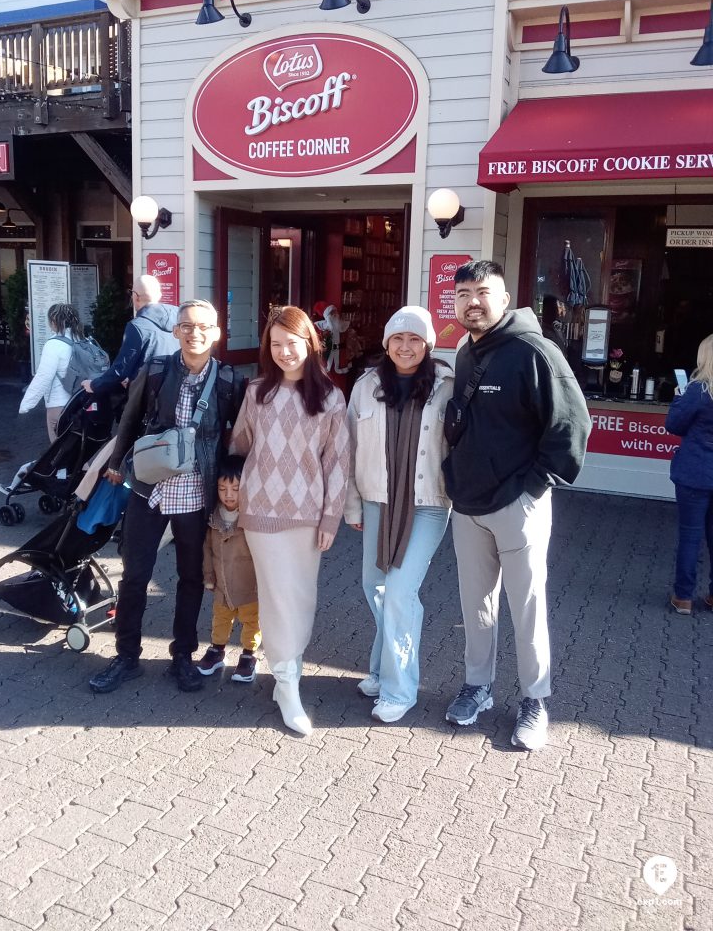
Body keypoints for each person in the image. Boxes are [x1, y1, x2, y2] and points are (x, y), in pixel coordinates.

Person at [442, 261, 591, 750]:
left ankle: (534, 699)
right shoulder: (467, 352)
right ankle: (478, 686)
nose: (472, 302)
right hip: (468, 505)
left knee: (526, 607)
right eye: (463, 293)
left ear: (505, 300)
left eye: (483, 292)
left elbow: (572, 425)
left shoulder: (534, 352)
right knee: (475, 605)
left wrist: (534, 487)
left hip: (517, 504)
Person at [88, 299, 244, 694]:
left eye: (203, 326)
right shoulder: (155, 369)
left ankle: (182, 656)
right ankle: (126, 656)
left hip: (197, 491)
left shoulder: (228, 380)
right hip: (149, 486)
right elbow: (130, 419)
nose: (195, 333)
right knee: (135, 574)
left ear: (217, 333)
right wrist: (118, 461)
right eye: (187, 326)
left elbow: (239, 437)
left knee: (191, 577)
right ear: (176, 331)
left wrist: (236, 484)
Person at [230, 306, 349, 736]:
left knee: (301, 596)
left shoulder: (331, 397)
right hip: (260, 510)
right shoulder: (257, 391)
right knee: (278, 596)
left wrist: (331, 517)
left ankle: (289, 669)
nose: (283, 352)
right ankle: (286, 683)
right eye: (275, 345)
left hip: (307, 513)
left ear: (309, 344)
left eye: (291, 344)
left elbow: (338, 462)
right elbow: (239, 444)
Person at [345, 306, 453, 723]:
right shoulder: (366, 385)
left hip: (428, 503)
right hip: (377, 500)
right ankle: (378, 667)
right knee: (375, 586)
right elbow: (350, 449)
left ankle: (399, 689)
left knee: (400, 593)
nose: (405, 347)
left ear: (427, 345)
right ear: (386, 344)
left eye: (415, 339)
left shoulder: (447, 384)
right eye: (398, 339)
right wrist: (352, 504)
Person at [199, 454, 261, 682]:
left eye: (235, 489)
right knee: (220, 618)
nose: (228, 495)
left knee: (251, 621)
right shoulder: (213, 518)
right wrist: (208, 575)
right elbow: (207, 549)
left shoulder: (251, 518)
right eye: (222, 488)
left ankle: (249, 655)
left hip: (249, 586)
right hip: (222, 585)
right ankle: (217, 649)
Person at [664, 333, 713, 616]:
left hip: (695, 472)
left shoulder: (697, 390)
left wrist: (677, 400)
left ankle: (683, 597)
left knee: (690, 536)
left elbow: (675, 425)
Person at [81, 274, 178, 398]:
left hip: (148, 397)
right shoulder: (179, 316)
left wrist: (94, 385)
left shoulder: (138, 326)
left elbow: (120, 370)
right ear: (159, 295)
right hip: (176, 393)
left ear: (135, 296)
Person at [19, 303, 84, 442]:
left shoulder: (53, 345)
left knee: (60, 453)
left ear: (54, 321)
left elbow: (43, 376)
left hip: (59, 405)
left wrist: (26, 405)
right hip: (81, 403)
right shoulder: (82, 340)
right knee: (77, 452)